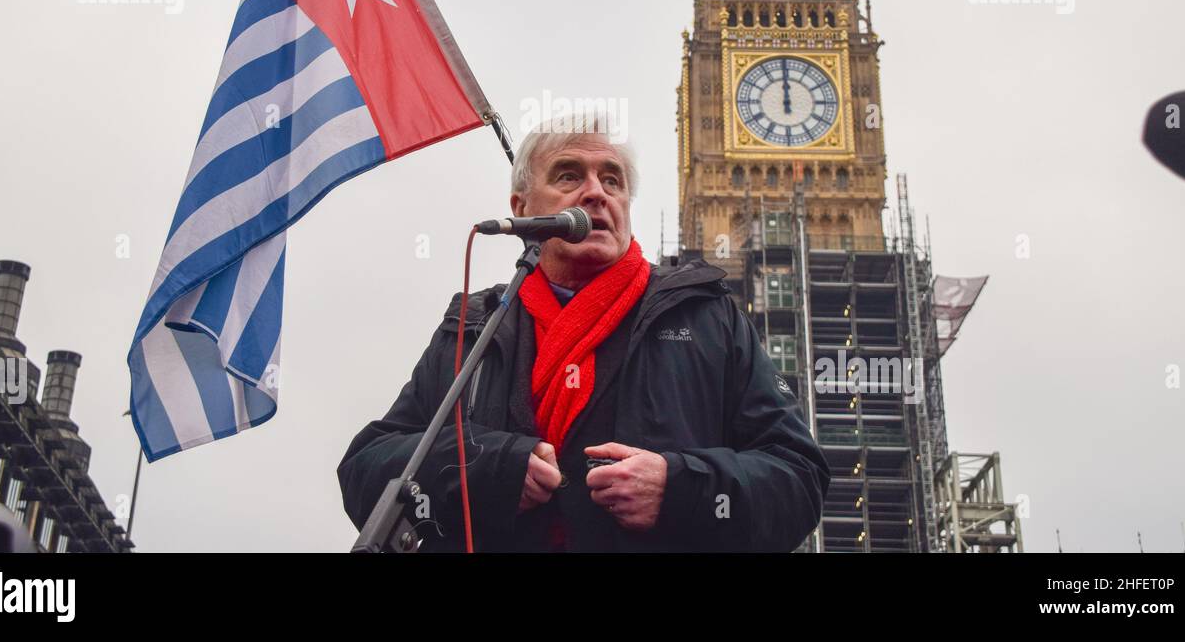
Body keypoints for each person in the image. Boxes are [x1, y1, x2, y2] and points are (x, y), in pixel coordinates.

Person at [337, 115, 830, 551]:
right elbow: (366, 471)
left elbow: (799, 480)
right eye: (570, 175)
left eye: (612, 180)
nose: (596, 192)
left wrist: (679, 488)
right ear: (522, 207)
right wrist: (490, 467)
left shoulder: (706, 318)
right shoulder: (474, 326)